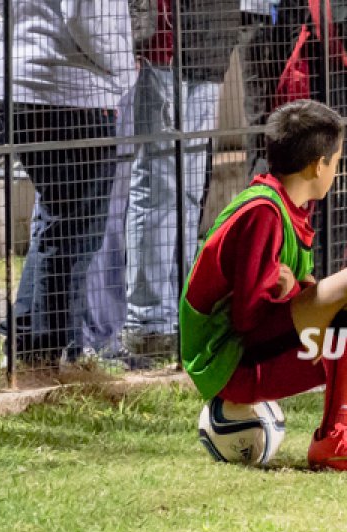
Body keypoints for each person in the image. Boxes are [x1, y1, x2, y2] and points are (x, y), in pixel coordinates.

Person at [180, 100, 347, 472]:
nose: (336, 169)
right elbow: (246, 317)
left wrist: (301, 293)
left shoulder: (288, 206)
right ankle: (332, 436)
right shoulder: (263, 212)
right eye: (336, 161)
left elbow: (292, 290)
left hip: (258, 346)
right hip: (230, 364)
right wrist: (297, 297)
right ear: (318, 165)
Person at [0, 0, 137, 366]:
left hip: (22, 82)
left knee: (57, 221)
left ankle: (26, 335)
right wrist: (122, 69)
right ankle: (45, 358)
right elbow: (84, 15)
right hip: (74, 89)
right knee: (75, 235)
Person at [123, 0, 237, 355]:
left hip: (209, 49)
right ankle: (149, 321)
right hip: (165, 49)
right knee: (158, 184)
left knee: (187, 191)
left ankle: (179, 313)